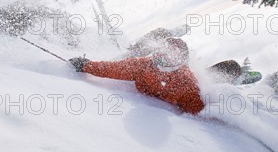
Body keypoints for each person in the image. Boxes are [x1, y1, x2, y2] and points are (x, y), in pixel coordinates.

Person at [70, 37, 211, 115]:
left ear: (180, 61)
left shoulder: (186, 83)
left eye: (171, 56)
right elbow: (113, 68)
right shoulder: (144, 65)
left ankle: (210, 74)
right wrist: (86, 65)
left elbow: (199, 112)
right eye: (163, 52)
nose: (164, 58)